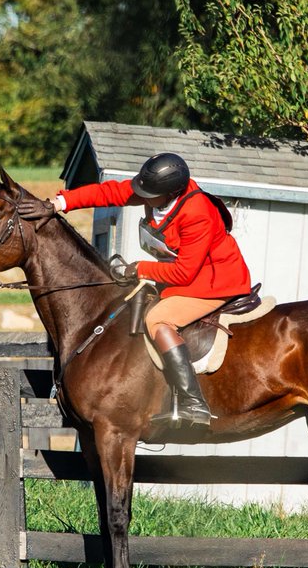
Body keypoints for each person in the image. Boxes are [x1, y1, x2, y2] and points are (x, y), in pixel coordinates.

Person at [18, 153, 252, 428]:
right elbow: (110, 192)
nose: (142, 197)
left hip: (214, 282)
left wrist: (138, 269)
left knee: (157, 319)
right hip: (182, 278)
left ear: (171, 192)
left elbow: (184, 272)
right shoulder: (156, 192)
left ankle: (193, 403)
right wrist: (57, 204)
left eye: (148, 194)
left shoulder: (197, 212)